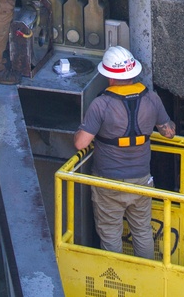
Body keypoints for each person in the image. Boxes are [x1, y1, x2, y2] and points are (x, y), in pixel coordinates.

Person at [73, 46, 176, 259]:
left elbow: (81, 144)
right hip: (142, 181)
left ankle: (118, 285)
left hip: (109, 184)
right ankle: (145, 281)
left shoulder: (100, 104)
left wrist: (79, 131)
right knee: (142, 231)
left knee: (110, 235)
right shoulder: (152, 99)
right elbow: (169, 133)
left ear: (108, 76)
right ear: (133, 73)